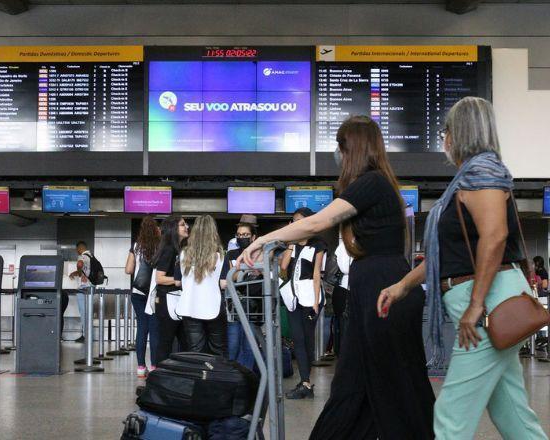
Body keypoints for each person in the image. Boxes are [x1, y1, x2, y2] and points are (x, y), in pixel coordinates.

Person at [238, 115, 435, 439]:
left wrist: (263, 239)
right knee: (357, 383)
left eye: (340, 147)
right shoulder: (376, 185)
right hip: (373, 284)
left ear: (353, 149)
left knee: (396, 385)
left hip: (382, 287)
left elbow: (316, 223)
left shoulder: (372, 183)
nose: (337, 155)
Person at [378, 97, 548, 439]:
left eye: (446, 130)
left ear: (459, 132)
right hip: (489, 299)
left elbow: (495, 236)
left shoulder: (482, 172)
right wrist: (404, 285)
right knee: (512, 413)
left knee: (450, 414)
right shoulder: (472, 175)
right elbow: (449, 255)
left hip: (486, 304)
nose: (444, 138)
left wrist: (474, 306)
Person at [278, 207, 326, 399]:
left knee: (307, 340)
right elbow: (283, 266)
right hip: (293, 297)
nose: (295, 223)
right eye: (294, 220)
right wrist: (290, 243)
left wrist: (315, 302)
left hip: (310, 297)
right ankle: (305, 382)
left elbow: (316, 275)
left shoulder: (319, 245)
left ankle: (306, 382)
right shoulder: (293, 245)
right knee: (297, 339)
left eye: (299, 220)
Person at [174, 215, 227, 356]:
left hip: (189, 307)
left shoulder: (184, 254)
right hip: (213, 307)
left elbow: (177, 282)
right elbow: (223, 284)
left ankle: (199, 378)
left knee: (195, 351)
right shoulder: (220, 256)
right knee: (218, 351)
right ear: (213, 232)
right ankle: (215, 377)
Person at [222, 221, 262, 369]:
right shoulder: (231, 254)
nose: (242, 237)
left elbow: (261, 276)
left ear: (253, 237)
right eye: (239, 235)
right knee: (232, 345)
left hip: (254, 307)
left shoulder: (259, 254)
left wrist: (237, 272)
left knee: (249, 346)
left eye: (245, 234)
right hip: (233, 307)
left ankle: (248, 380)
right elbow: (227, 277)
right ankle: (233, 379)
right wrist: (246, 273)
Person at [126, 216, 161, 377]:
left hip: (138, 293)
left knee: (142, 329)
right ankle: (154, 366)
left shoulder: (136, 246)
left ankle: (141, 367)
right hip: (154, 293)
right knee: (154, 330)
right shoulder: (161, 246)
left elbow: (128, 270)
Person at [153, 216, 189, 364]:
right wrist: (178, 281)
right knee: (166, 341)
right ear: (174, 229)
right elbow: (159, 278)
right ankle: (160, 375)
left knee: (184, 341)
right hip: (167, 301)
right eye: (182, 225)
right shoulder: (169, 249)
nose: (186, 227)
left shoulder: (180, 249)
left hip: (175, 300)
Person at [69, 241, 92, 343]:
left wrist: (78, 271)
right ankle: (88, 334)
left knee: (83, 312)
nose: (77, 251)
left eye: (77, 249)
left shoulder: (82, 256)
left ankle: (85, 335)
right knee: (88, 312)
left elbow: (80, 264)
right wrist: (77, 272)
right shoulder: (91, 256)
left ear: (79, 248)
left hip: (83, 289)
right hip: (90, 287)